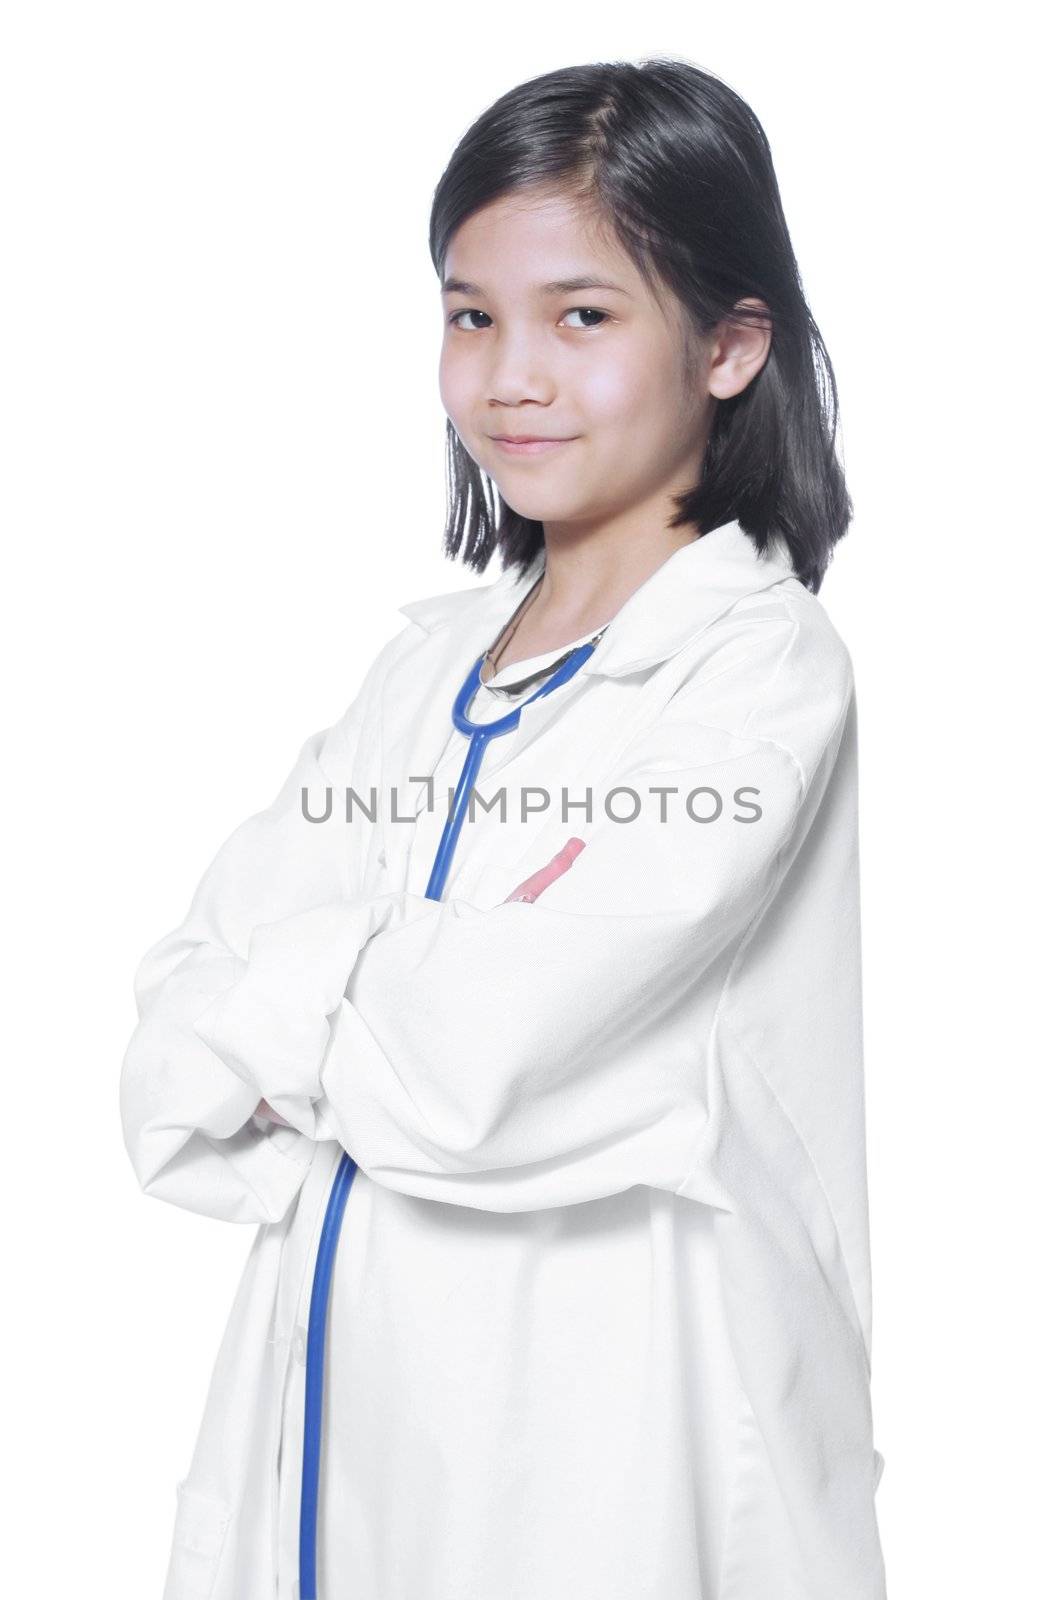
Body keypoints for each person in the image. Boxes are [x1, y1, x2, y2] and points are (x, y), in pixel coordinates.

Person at [119, 57, 887, 1600]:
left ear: (733, 346)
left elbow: (469, 1063)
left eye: (581, 316)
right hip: (344, 1409)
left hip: (609, 1436)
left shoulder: (754, 676)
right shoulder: (420, 674)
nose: (507, 375)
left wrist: (324, 1013)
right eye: (471, 315)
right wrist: (377, 994)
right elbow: (173, 1041)